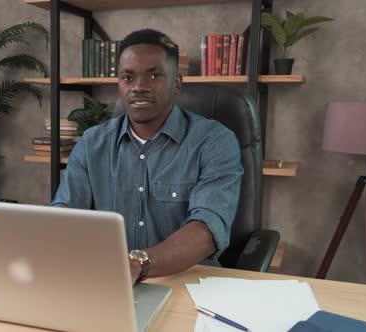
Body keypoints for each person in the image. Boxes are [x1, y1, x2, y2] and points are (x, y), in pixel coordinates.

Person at [52, 29, 243, 284]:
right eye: (127, 77)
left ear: (177, 83)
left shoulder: (214, 141)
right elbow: (64, 216)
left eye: (154, 75)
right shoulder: (92, 143)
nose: (139, 87)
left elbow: (206, 229)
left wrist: (136, 265)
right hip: (109, 281)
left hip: (190, 284)